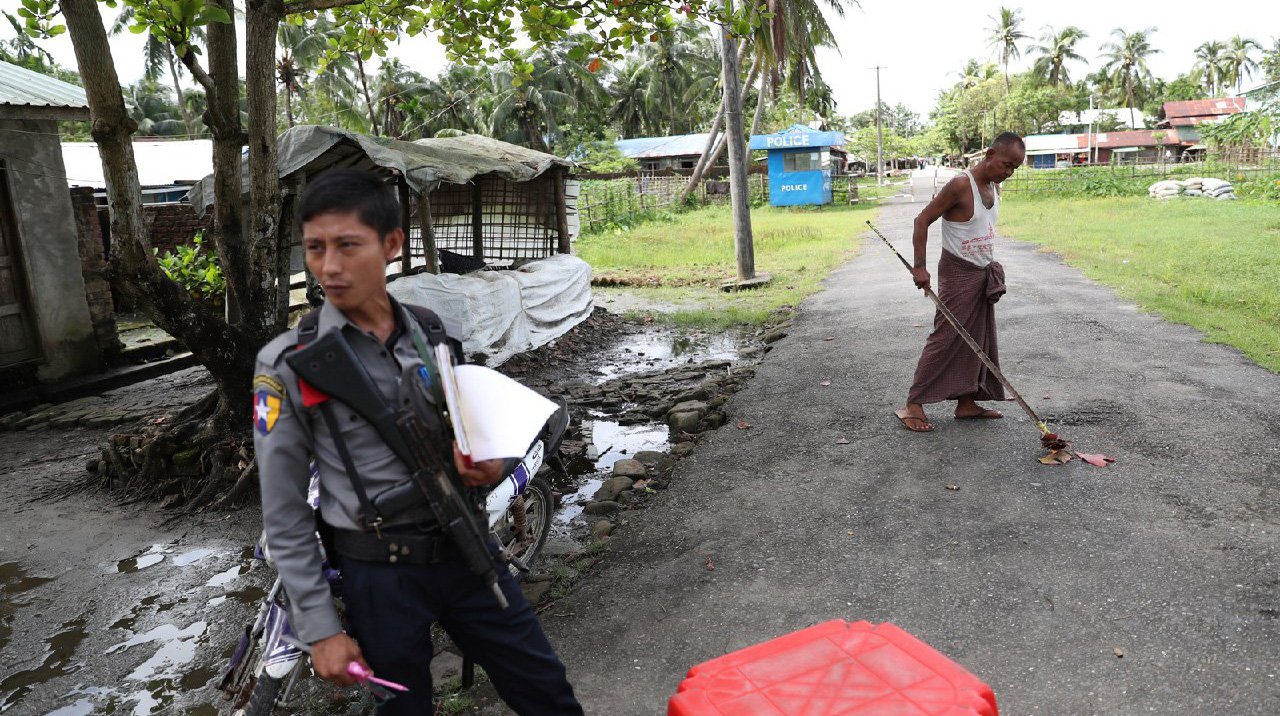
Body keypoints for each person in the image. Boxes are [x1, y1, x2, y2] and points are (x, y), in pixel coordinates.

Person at [253, 169, 583, 715]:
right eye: (315, 248)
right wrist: (320, 628)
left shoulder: (431, 332)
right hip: (378, 578)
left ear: (391, 245)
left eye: (347, 246)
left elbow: (463, 431)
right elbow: (283, 508)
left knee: (546, 690)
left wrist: (488, 464)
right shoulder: (289, 363)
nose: (329, 266)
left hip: (467, 549)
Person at [895, 132, 1025, 433]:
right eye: (1006, 164)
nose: (1008, 172)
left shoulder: (992, 187)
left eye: (1014, 169)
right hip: (957, 272)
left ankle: (966, 403)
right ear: (990, 154)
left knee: (978, 337)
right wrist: (920, 267)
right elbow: (922, 220)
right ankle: (913, 403)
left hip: (982, 272)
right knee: (947, 336)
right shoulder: (960, 185)